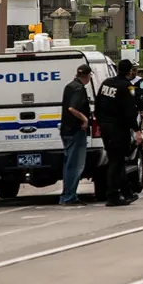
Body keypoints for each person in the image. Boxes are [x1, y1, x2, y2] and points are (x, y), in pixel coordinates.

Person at [94, 59, 142, 206]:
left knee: (117, 161)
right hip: (118, 130)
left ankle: (127, 193)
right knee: (116, 162)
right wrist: (136, 130)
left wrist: (101, 123)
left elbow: (98, 105)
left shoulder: (106, 83)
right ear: (130, 72)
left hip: (106, 129)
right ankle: (113, 195)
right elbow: (130, 112)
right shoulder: (127, 87)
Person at [59, 64, 92, 206]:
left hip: (66, 130)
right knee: (75, 165)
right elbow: (72, 108)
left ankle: (67, 194)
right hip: (75, 130)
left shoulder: (69, 86)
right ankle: (69, 196)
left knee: (69, 164)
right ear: (88, 75)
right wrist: (84, 119)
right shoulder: (79, 89)